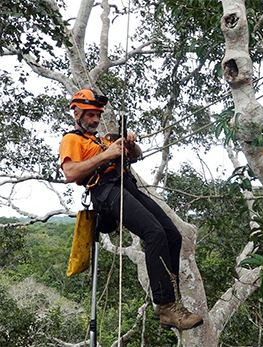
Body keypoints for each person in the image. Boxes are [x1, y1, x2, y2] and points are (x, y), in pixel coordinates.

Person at [59, 89, 203, 331]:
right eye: (91, 115)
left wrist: (128, 144)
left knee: (171, 234)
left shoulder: (104, 140)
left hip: (127, 187)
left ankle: (169, 301)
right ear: (77, 113)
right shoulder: (73, 140)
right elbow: (71, 173)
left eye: (97, 115)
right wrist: (107, 155)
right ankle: (166, 305)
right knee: (153, 232)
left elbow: (136, 156)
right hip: (105, 191)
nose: (95, 120)